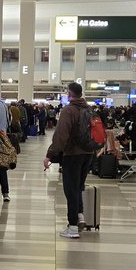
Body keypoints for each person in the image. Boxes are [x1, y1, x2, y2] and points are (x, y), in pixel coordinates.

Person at [46, 81, 97, 239]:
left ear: (69, 94)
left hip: (73, 154)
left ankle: (73, 227)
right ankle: (80, 216)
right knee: (78, 187)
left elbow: (61, 135)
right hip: (88, 153)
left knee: (70, 190)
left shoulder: (69, 110)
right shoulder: (89, 109)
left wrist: (50, 154)